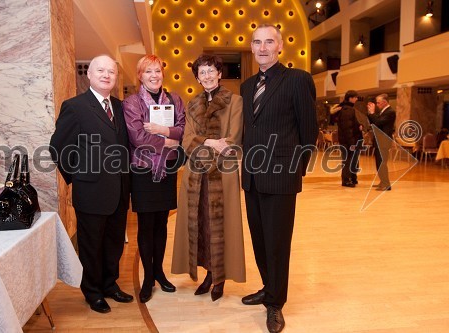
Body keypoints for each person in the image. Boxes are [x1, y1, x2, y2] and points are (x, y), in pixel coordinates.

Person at [240, 25, 318, 333]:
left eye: (268, 41)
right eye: (257, 42)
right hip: (252, 177)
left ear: (280, 46)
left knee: (277, 243)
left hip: (281, 177)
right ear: (252, 47)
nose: (262, 47)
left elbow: (308, 130)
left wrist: (295, 170)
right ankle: (267, 288)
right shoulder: (246, 86)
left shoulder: (297, 80)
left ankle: (276, 304)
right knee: (260, 240)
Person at [49, 55, 133, 314]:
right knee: (91, 245)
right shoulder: (75, 106)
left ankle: (110, 284)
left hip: (119, 190)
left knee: (114, 242)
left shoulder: (120, 107)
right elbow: (58, 147)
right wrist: (79, 176)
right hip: (91, 191)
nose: (106, 75)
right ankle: (93, 292)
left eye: (111, 71)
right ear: (90, 74)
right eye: (101, 70)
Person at [171, 54, 246, 302]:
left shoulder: (235, 102)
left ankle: (220, 277)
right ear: (198, 78)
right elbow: (186, 140)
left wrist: (206, 145)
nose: (207, 76)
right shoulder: (192, 104)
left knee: (222, 227)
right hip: (196, 176)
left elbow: (232, 140)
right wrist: (209, 141)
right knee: (202, 225)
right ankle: (208, 273)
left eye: (211, 71)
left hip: (222, 174)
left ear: (219, 74)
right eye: (202, 72)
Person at [122, 55, 186, 303]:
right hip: (143, 172)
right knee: (146, 226)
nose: (154, 75)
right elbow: (138, 138)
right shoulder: (132, 103)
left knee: (162, 224)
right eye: (148, 71)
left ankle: (159, 272)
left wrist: (161, 130)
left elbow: (183, 129)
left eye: (157, 71)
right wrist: (169, 141)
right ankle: (148, 278)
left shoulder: (175, 100)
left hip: (167, 170)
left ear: (163, 73)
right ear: (140, 75)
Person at [367, 93, 396, 191]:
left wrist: (372, 113)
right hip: (379, 140)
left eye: (378, 103)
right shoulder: (383, 111)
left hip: (383, 141)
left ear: (384, 102)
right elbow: (375, 122)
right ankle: (382, 181)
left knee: (382, 163)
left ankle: (386, 184)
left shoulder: (390, 112)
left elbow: (378, 122)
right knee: (379, 162)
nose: (377, 104)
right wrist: (371, 114)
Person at [335, 90, 363, 187]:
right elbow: (347, 128)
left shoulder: (346, 108)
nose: (356, 99)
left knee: (350, 160)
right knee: (348, 161)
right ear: (350, 98)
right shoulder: (348, 110)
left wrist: (358, 125)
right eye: (355, 97)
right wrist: (352, 143)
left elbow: (351, 124)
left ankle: (352, 178)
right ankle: (346, 180)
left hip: (348, 140)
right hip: (348, 141)